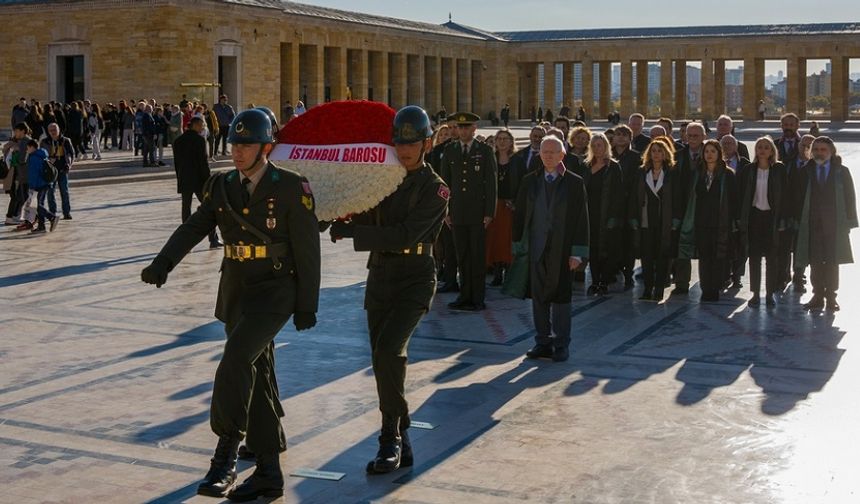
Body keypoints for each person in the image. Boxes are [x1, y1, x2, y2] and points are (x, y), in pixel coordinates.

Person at [140, 109, 321, 501]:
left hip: (275, 292)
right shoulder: (221, 186)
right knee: (253, 372)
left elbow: (308, 249)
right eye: (235, 144)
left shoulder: (291, 186)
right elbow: (195, 226)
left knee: (237, 358)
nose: (238, 152)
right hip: (237, 290)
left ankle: (225, 450)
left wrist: (307, 304)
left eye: (247, 144)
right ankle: (269, 470)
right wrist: (164, 262)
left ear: (266, 147)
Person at [330, 105, 448, 475]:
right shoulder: (383, 180)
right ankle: (402, 439)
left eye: (412, 142)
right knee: (385, 364)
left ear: (427, 143)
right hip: (380, 275)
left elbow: (406, 234)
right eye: (399, 141)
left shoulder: (437, 189)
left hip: (415, 276)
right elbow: (363, 211)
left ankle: (390, 438)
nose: (405, 148)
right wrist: (334, 213)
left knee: (387, 351)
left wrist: (354, 232)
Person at [512, 135, 589, 362]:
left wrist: (578, 252)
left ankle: (561, 344)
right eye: (544, 152)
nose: (548, 156)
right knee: (539, 298)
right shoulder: (530, 181)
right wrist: (518, 246)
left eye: (553, 152)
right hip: (536, 248)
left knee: (562, 298)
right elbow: (520, 216)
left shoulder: (574, 183)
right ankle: (542, 342)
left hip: (563, 249)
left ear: (562, 155)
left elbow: (581, 220)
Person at [440, 112, 497, 311]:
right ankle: (464, 296)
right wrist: (445, 211)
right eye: (460, 127)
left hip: (478, 213)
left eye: (467, 127)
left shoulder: (484, 151)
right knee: (461, 255)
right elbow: (444, 184)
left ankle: (477, 298)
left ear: (474, 129)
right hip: (457, 212)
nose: (463, 131)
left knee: (477, 256)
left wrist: (489, 212)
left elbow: (491, 183)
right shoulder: (450, 150)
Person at [793, 136, 857, 312]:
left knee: (832, 261)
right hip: (811, 224)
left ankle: (831, 297)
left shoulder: (841, 172)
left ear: (831, 152)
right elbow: (797, 198)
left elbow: (850, 197)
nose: (819, 153)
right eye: (816, 149)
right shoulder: (805, 171)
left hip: (834, 224)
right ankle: (818, 295)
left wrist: (850, 222)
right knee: (814, 261)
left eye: (823, 150)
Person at [678, 139, 738, 303]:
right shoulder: (697, 173)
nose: (709, 155)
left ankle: (715, 288)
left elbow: (733, 201)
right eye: (706, 151)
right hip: (701, 222)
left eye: (713, 151)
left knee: (718, 257)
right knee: (704, 258)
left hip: (720, 223)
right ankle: (706, 288)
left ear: (719, 154)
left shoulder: (727, 174)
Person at [737, 136, 786, 307]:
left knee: (772, 258)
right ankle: (756, 293)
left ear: (772, 150)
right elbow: (741, 193)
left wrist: (783, 219)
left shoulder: (779, 169)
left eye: (766, 147)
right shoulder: (749, 169)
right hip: (754, 216)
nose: (763, 150)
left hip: (772, 217)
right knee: (754, 257)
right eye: (759, 147)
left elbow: (786, 196)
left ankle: (770, 293)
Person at [629, 138, 679, 302]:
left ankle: (659, 289)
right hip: (646, 220)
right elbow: (634, 197)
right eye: (653, 151)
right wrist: (634, 217)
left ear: (665, 154)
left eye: (660, 151)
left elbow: (679, 197)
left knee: (663, 256)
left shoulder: (672, 172)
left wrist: (675, 219)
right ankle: (647, 288)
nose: (656, 154)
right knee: (647, 256)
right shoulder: (642, 172)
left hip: (664, 221)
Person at [581, 133, 625, 295]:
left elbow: (618, 194)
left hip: (606, 213)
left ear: (606, 146)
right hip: (589, 213)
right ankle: (595, 280)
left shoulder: (613, 167)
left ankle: (604, 281)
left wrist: (614, 216)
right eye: (594, 145)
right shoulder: (586, 166)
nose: (597, 148)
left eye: (600, 145)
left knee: (606, 249)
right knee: (592, 249)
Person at [173, 116, 221, 248]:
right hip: (199, 180)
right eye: (201, 125)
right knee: (208, 209)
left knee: (185, 209)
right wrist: (208, 180)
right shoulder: (199, 140)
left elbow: (176, 163)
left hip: (184, 178)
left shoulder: (178, 141)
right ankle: (213, 239)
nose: (203, 128)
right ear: (194, 125)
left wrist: (180, 178)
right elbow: (203, 163)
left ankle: (184, 240)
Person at [672, 122, 707, 295]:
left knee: (705, 246)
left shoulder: (710, 154)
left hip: (703, 208)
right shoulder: (676, 155)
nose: (692, 139)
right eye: (689, 135)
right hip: (682, 207)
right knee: (682, 247)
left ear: (703, 137)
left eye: (696, 136)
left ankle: (706, 283)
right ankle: (681, 283)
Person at [485, 128, 519, 286]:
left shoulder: (517, 159)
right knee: (494, 238)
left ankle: (510, 272)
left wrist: (516, 201)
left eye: (506, 139)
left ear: (511, 142)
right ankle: (497, 273)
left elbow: (522, 183)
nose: (502, 142)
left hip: (510, 206)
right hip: (494, 204)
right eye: (499, 139)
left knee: (508, 240)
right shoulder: (490, 158)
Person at [612, 125, 641, 288]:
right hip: (612, 205)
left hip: (630, 205)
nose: (621, 138)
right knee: (613, 240)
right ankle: (613, 270)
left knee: (629, 241)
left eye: (624, 135)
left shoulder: (636, 157)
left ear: (630, 138)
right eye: (617, 134)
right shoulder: (608, 156)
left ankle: (628, 273)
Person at [720, 134, 750, 289]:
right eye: (724, 143)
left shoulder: (745, 164)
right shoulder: (716, 163)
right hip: (723, 209)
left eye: (730, 143)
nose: (726, 146)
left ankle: (737, 275)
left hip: (741, 208)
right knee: (725, 243)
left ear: (736, 146)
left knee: (741, 245)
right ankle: (724, 274)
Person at [41, 123, 75, 220]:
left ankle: (66, 212)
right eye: (51, 130)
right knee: (50, 192)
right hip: (50, 171)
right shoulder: (44, 142)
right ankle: (52, 213)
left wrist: (69, 164)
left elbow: (71, 154)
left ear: (59, 130)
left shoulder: (65, 141)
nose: (53, 132)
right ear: (48, 131)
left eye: (54, 129)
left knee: (64, 191)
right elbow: (42, 155)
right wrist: (48, 160)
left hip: (62, 169)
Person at [23, 139, 58, 234]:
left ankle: (52, 217)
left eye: (27, 148)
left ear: (32, 147)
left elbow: (33, 174)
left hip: (39, 185)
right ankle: (41, 227)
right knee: (38, 205)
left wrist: (32, 187)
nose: (27, 150)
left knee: (38, 206)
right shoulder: (42, 155)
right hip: (44, 183)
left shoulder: (34, 157)